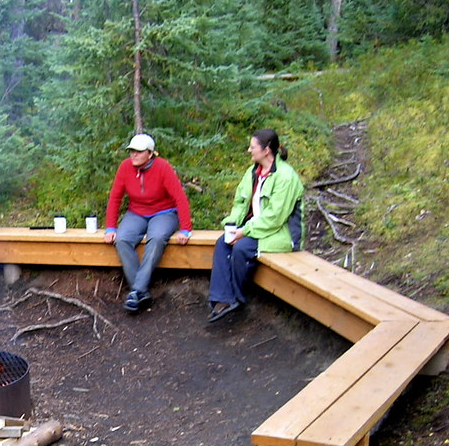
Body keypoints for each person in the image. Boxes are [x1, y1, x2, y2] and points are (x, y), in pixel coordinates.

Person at [207, 129, 305, 323]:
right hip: (255, 227)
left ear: (266, 150)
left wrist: (244, 231)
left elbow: (275, 218)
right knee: (223, 243)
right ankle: (221, 299)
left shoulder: (286, 176)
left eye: (253, 147)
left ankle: (237, 298)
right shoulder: (253, 171)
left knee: (242, 248)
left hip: (281, 233)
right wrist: (233, 225)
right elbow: (240, 203)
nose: (249, 150)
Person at [103, 133, 192, 313]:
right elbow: (115, 197)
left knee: (157, 237)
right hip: (136, 212)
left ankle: (136, 290)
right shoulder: (125, 167)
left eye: (138, 151)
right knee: (122, 239)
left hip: (164, 212)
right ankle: (140, 291)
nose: (133, 155)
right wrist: (110, 227)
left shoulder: (162, 167)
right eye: (131, 151)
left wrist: (185, 229)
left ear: (150, 153)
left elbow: (179, 197)